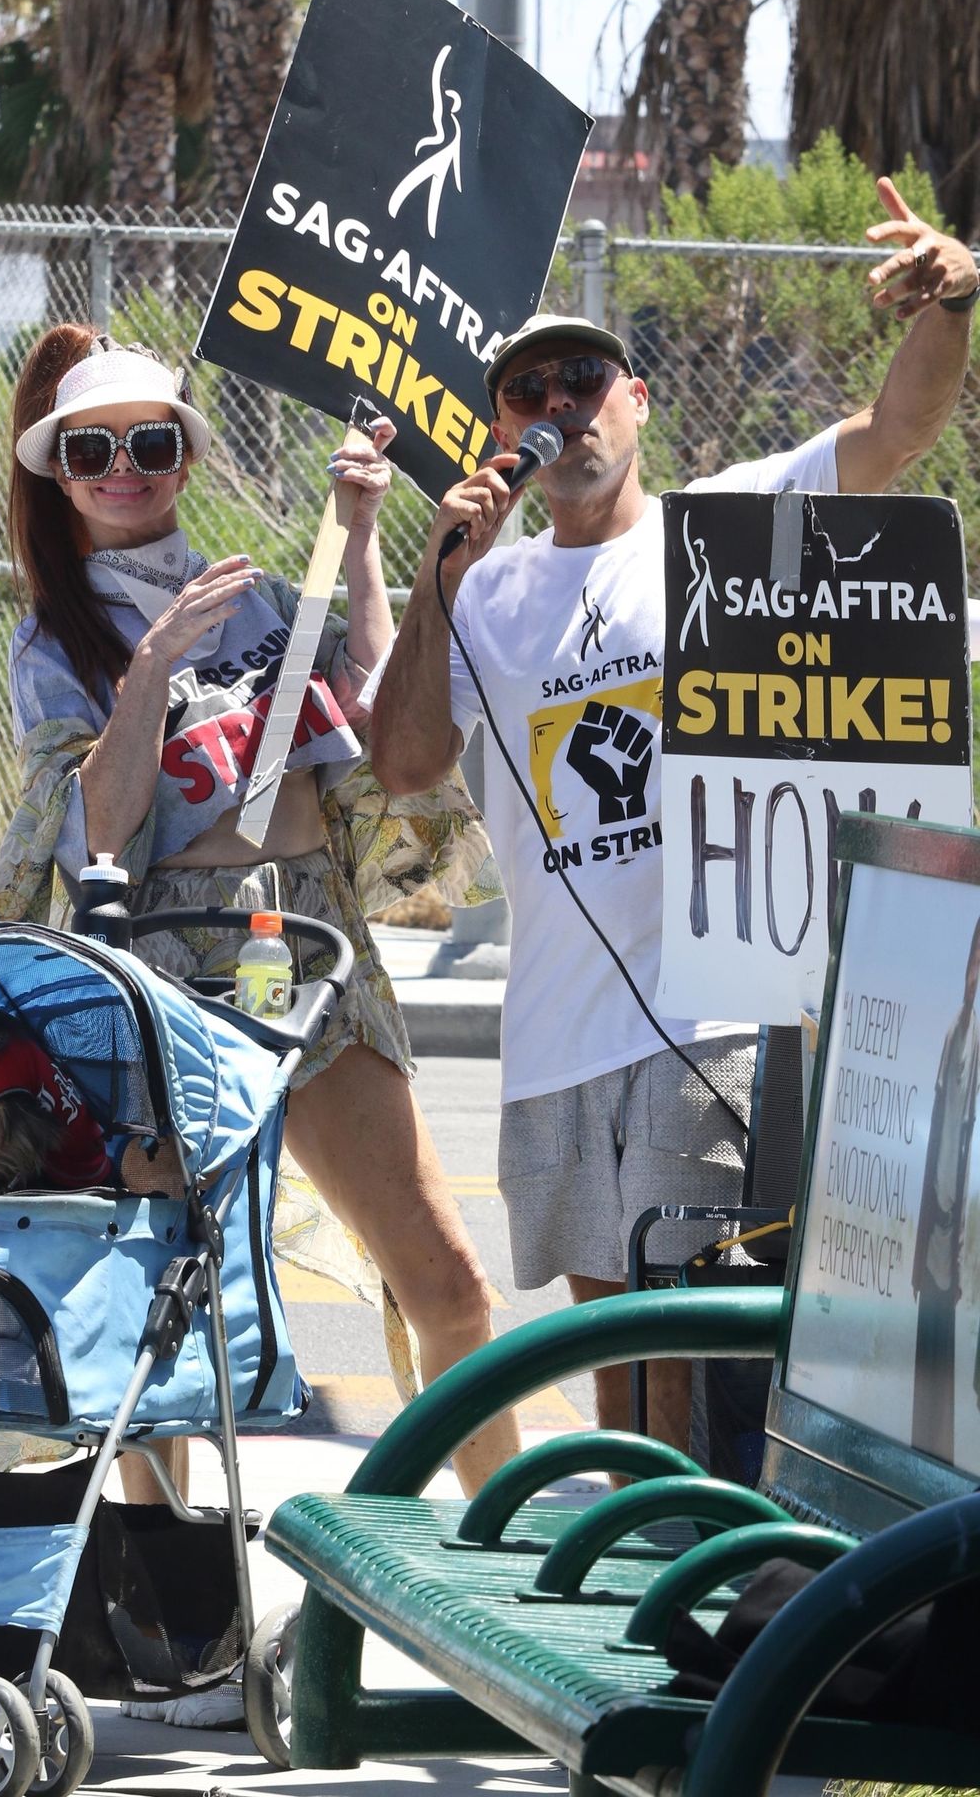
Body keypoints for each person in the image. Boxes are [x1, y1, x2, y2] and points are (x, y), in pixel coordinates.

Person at [369, 175, 979, 1456]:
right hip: (554, 1035)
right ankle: (640, 1595)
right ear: (498, 426)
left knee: (693, 1345)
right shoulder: (486, 593)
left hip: (702, 1019)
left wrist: (951, 303)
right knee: (607, 1354)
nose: (558, 412)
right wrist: (435, 577)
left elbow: (893, 435)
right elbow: (410, 764)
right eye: (528, 395)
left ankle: (721, 1606)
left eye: (582, 383)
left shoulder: (725, 522)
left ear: (634, 403)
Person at [0, 326, 521, 1516]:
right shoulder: (53, 642)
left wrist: (370, 533)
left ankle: (495, 1544)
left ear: (185, 455)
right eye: (92, 449)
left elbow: (390, 731)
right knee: (164, 1297)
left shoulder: (276, 596)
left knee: (442, 1274)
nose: (123, 466)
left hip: (313, 944)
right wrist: (151, 668)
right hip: (168, 965)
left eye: (151, 441)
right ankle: (168, 1603)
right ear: (59, 473)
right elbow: (95, 834)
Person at [911, 915, 980, 1465]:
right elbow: (936, 1143)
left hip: (962, 1248)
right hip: (936, 1242)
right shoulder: (957, 1028)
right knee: (927, 1405)